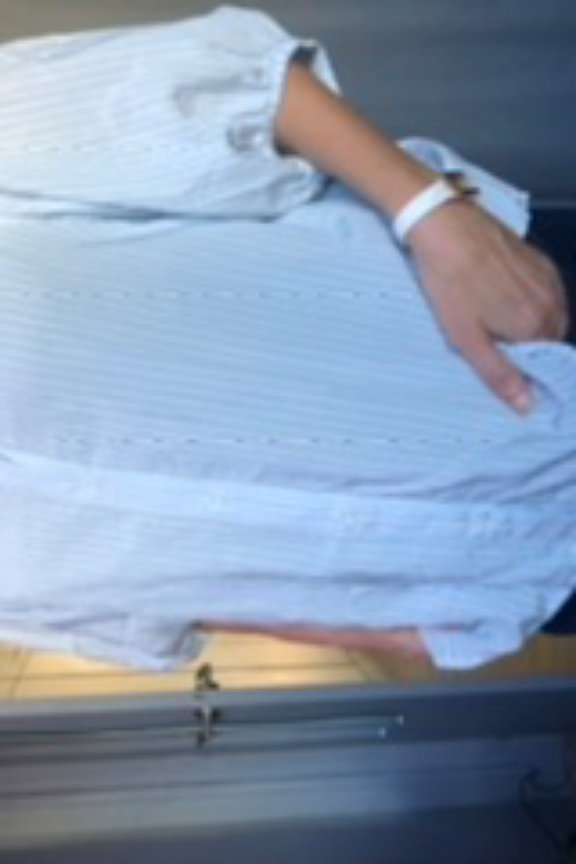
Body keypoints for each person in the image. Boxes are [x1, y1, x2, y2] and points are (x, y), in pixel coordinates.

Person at [0, 6, 574, 671]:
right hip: (526, 568)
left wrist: (431, 210)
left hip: (531, 333)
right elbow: (172, 603)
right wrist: (395, 633)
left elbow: (252, 95)